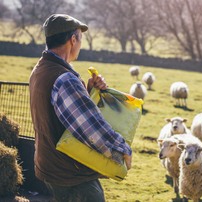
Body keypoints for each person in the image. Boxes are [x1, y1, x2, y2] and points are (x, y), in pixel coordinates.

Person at [29, 14, 132, 202]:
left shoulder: (40, 69)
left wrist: (89, 91)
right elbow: (90, 128)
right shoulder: (64, 78)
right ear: (73, 39)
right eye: (80, 38)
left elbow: (60, 112)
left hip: (49, 165)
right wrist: (121, 149)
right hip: (70, 172)